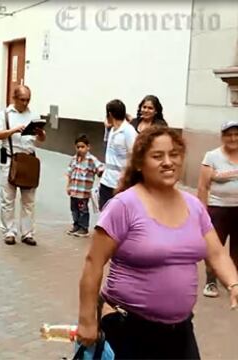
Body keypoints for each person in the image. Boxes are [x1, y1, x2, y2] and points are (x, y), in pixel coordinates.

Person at [77, 126, 238, 359]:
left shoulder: (194, 207)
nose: (167, 162)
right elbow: (93, 263)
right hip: (128, 329)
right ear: (140, 164)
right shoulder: (123, 205)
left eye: (174, 154)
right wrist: (87, 320)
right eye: (157, 156)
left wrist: (233, 283)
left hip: (180, 331)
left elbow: (217, 253)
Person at [0, 85, 46, 246]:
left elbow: (41, 140)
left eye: (28, 100)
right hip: (10, 159)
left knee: (29, 200)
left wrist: (41, 133)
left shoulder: (33, 115)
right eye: (22, 100)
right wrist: (13, 130)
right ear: (14, 98)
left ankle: (27, 233)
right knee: (8, 198)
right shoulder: (5, 115)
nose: (25, 103)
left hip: (28, 160)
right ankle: (9, 231)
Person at [197, 120, 238, 298]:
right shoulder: (212, 156)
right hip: (217, 208)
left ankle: (232, 281)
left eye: (236, 134)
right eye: (229, 134)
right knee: (214, 247)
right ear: (222, 136)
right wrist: (202, 213)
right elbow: (202, 187)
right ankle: (211, 280)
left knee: (237, 249)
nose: (233, 138)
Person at [99, 99, 137, 211]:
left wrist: (125, 177)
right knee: (104, 214)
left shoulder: (128, 131)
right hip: (107, 181)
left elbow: (133, 155)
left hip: (120, 183)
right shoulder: (112, 130)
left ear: (109, 114)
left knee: (118, 216)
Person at [66, 134, 104, 237]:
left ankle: (84, 228)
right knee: (74, 209)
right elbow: (69, 173)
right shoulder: (74, 159)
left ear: (88, 147)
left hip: (83, 192)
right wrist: (68, 186)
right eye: (78, 147)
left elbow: (100, 168)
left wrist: (101, 173)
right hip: (74, 190)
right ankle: (76, 225)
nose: (80, 149)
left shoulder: (91, 159)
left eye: (82, 147)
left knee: (83, 210)